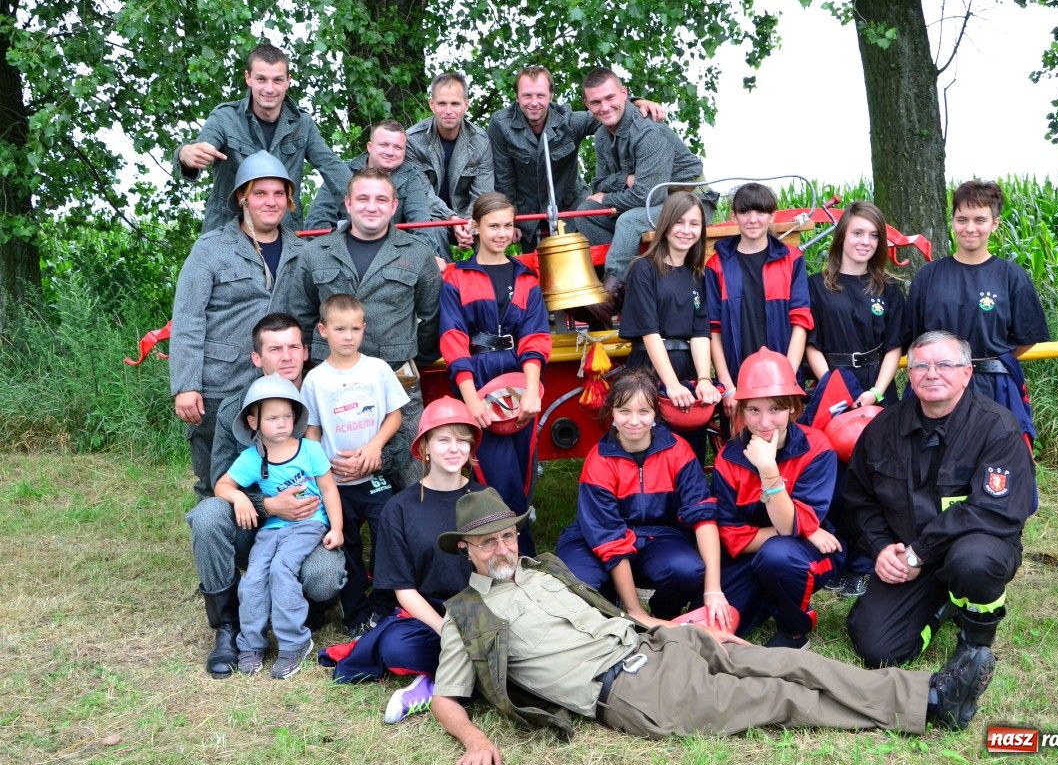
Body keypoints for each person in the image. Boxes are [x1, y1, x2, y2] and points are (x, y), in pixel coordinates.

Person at [428, 489, 998, 765]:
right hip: (630, 691)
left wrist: (681, 628)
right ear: (468, 552)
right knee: (778, 699)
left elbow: (614, 612)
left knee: (787, 660)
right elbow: (447, 698)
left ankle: (931, 695)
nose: (502, 547)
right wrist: (476, 742)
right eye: (487, 541)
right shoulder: (467, 615)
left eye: (506, 535)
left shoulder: (543, 568)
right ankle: (928, 707)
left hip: (659, 642)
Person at [842, 331, 1036, 670]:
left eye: (945, 364)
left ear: (966, 373)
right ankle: (943, 607)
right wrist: (881, 547)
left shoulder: (997, 428)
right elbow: (858, 499)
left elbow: (995, 512)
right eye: (921, 366)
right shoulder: (882, 428)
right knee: (877, 650)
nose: (932, 373)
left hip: (971, 547)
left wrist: (920, 552)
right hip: (908, 556)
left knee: (974, 562)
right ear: (910, 375)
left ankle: (976, 635)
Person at [186, 312, 346, 679]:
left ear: (306, 351)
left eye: (293, 347)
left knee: (320, 576)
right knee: (208, 514)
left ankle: (304, 617)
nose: (286, 356)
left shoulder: (329, 390)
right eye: (275, 349)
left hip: (312, 523)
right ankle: (230, 629)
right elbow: (222, 483)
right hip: (259, 524)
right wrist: (267, 504)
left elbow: (328, 482)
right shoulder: (239, 411)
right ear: (257, 358)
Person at [319, 396, 484, 725]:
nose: (455, 449)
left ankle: (436, 683)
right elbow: (403, 588)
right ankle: (463, 674)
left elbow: (504, 570)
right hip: (428, 618)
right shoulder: (401, 507)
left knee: (508, 641)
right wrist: (446, 630)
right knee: (395, 648)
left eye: (462, 441)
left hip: (479, 611)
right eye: (444, 440)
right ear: (424, 447)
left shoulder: (484, 498)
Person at [283, 166, 442, 492]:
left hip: (397, 375)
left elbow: (431, 315)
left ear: (394, 206)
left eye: (381, 199)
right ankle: (334, 531)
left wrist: (415, 357)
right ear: (348, 203)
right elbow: (301, 314)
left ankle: (414, 528)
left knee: (413, 464)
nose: (372, 206)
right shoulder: (316, 252)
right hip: (332, 381)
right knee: (331, 464)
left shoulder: (417, 253)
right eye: (363, 198)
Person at [172, 150, 306, 501]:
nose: (270, 202)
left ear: (288, 200)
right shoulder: (211, 249)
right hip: (220, 384)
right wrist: (185, 385)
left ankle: (266, 548)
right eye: (260, 193)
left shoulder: (301, 251)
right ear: (242, 198)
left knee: (277, 473)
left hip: (279, 385)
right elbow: (187, 318)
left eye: (279, 194)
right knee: (214, 479)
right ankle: (217, 545)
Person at [555, 369, 730, 631]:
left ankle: (665, 615)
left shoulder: (678, 450)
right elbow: (609, 539)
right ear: (612, 414)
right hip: (594, 538)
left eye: (643, 412)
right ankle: (613, 613)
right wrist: (635, 611)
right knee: (581, 580)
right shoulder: (598, 460)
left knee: (687, 569)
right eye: (624, 411)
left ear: (656, 414)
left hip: (657, 535)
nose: (634, 421)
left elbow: (702, 514)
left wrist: (713, 590)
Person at [439, 192, 551, 554]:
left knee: (520, 471)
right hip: (479, 376)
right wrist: (471, 400)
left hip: (519, 377)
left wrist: (533, 391)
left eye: (507, 225)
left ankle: (512, 554)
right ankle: (517, 554)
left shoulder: (527, 278)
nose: (501, 233)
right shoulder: (457, 277)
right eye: (493, 226)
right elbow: (453, 339)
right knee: (493, 474)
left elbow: (535, 337)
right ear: (475, 227)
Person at [805, 200, 906, 598]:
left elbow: (895, 348)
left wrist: (876, 393)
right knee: (835, 479)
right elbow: (810, 342)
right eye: (858, 232)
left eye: (873, 235)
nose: (865, 241)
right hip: (832, 388)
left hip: (877, 388)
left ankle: (869, 563)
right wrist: (836, 387)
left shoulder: (890, 290)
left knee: (877, 478)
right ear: (842, 234)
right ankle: (836, 561)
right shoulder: (816, 285)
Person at [214, 374, 344, 679]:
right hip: (271, 528)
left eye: (287, 416)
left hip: (307, 524)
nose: (282, 423)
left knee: (281, 570)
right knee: (254, 577)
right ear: (253, 421)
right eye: (272, 418)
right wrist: (240, 499)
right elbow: (222, 485)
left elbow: (329, 490)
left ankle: (294, 643)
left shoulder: (309, 450)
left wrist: (336, 528)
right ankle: (251, 643)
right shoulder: (250, 458)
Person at [712, 347, 842, 647]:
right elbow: (731, 536)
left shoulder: (817, 448)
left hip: (805, 554)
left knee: (778, 557)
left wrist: (768, 469)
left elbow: (789, 529)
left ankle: (794, 630)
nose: (765, 421)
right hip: (757, 553)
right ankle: (771, 596)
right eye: (754, 410)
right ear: (741, 411)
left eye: (776, 409)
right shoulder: (728, 458)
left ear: (793, 409)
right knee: (724, 627)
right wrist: (808, 530)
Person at [905, 179, 1049, 444]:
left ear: (994, 223)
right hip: (938, 384)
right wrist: (948, 367)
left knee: (997, 467)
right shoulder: (928, 276)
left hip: (993, 386)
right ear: (952, 221)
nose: (970, 228)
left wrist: (986, 362)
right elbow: (914, 337)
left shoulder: (1011, 276)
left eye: (979, 220)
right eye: (962, 219)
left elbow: (1027, 336)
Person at [301, 294, 409, 638]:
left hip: (374, 476)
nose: (348, 336)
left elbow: (395, 414)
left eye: (355, 329)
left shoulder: (377, 369)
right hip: (337, 483)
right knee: (345, 543)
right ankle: (355, 612)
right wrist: (322, 473)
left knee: (387, 534)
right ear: (323, 330)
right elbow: (312, 430)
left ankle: (385, 603)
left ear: (364, 329)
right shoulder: (315, 380)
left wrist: (375, 447)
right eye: (339, 329)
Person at [570, 67, 718, 313]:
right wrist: (625, 179)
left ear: (624, 94)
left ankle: (611, 296)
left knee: (629, 221)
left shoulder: (649, 131)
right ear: (587, 104)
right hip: (651, 202)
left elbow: (646, 196)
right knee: (585, 212)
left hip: (691, 203)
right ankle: (637, 279)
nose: (604, 107)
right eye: (595, 102)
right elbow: (598, 183)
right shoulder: (601, 137)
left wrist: (607, 195)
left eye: (610, 98)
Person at [174, 43, 351, 233]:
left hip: (283, 235)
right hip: (227, 234)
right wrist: (186, 155)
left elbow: (332, 167)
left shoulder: (303, 123)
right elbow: (202, 146)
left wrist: (363, 203)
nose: (269, 88)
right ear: (248, 78)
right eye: (261, 79)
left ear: (288, 81)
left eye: (277, 80)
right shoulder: (224, 117)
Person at [487, 65, 666, 249]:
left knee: (590, 267)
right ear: (517, 96)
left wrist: (637, 103)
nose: (534, 102)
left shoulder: (568, 121)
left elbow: (607, 113)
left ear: (551, 95)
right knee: (541, 273)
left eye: (540, 95)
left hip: (573, 211)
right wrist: (509, 218)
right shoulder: (501, 125)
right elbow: (503, 178)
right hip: (530, 218)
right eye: (527, 96)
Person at [617, 191, 720, 461]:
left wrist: (704, 380)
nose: (686, 230)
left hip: (686, 369)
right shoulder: (643, 269)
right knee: (651, 453)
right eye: (680, 222)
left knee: (690, 452)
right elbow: (650, 332)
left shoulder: (698, 275)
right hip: (650, 371)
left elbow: (700, 332)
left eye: (694, 224)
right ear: (666, 225)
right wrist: (671, 385)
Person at [706, 182, 813, 425]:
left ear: (772, 216)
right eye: (744, 212)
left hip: (784, 380)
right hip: (738, 381)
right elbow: (713, 330)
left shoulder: (792, 259)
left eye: (761, 212)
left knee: (786, 449)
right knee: (740, 453)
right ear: (733, 216)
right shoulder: (717, 265)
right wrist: (728, 386)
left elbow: (800, 322)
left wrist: (788, 380)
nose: (753, 219)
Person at [302, 119, 452, 252]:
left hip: (396, 254)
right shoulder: (341, 172)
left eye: (398, 147)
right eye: (384, 145)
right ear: (370, 146)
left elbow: (422, 228)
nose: (390, 152)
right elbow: (316, 225)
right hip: (343, 252)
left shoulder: (412, 177)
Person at [407, 72, 495, 249]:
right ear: (431, 104)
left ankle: (488, 276)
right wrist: (451, 219)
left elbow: (483, 193)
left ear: (466, 105)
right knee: (434, 231)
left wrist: (470, 223)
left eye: (455, 104)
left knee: (490, 230)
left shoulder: (480, 140)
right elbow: (422, 192)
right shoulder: (413, 140)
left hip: (468, 215)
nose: (448, 111)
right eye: (442, 104)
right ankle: (442, 277)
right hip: (430, 215)